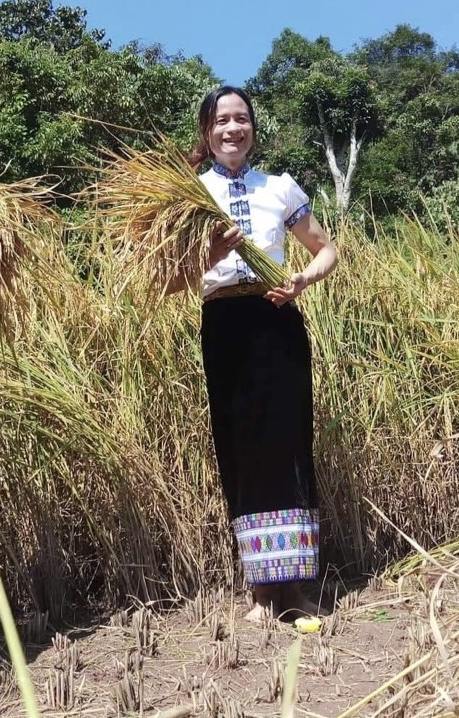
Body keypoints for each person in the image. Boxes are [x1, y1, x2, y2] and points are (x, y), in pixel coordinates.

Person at [170, 86, 338, 622]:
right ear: (207, 131)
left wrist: (301, 280)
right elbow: (169, 280)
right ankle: (262, 592)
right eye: (221, 121)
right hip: (224, 325)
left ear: (252, 128)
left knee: (288, 444)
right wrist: (211, 253)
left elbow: (327, 249)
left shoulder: (279, 188)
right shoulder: (189, 197)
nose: (231, 129)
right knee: (239, 449)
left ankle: (297, 588)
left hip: (278, 321)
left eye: (240, 119)